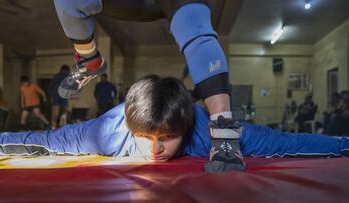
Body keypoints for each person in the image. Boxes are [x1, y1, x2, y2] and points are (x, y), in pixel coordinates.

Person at [0, 76, 349, 165]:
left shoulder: (211, 133)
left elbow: (285, 142)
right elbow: (32, 139)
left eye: (166, 139)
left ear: (185, 130)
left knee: (271, 141)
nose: (153, 151)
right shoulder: (102, 133)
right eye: (144, 139)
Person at [53, 0, 242, 173]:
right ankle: (89, 60)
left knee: (195, 26)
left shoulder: (196, 131)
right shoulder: (112, 129)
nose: (155, 149)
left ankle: (224, 131)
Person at [49, 65, 70, 129]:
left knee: (55, 114)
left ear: (61, 70)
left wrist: (51, 97)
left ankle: (53, 128)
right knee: (64, 112)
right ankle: (63, 128)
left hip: (55, 96)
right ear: (67, 70)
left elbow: (50, 88)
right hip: (64, 96)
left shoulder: (55, 76)